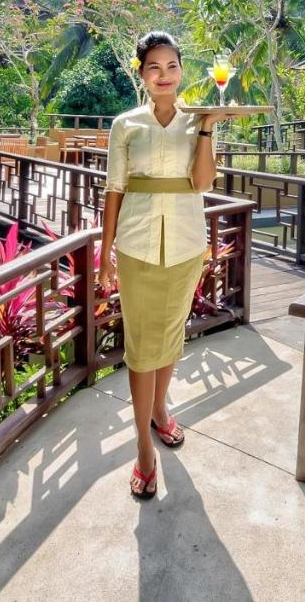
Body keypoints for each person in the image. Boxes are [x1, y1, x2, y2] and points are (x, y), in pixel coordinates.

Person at [98, 31, 225, 499]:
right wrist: (105, 254)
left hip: (187, 244)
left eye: (172, 66)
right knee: (140, 343)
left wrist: (207, 128)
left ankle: (159, 410)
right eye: (154, 66)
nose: (164, 75)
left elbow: (202, 182)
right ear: (142, 73)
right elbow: (114, 189)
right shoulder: (126, 125)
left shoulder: (197, 121)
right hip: (137, 245)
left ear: (182, 71)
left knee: (171, 333)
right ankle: (143, 448)